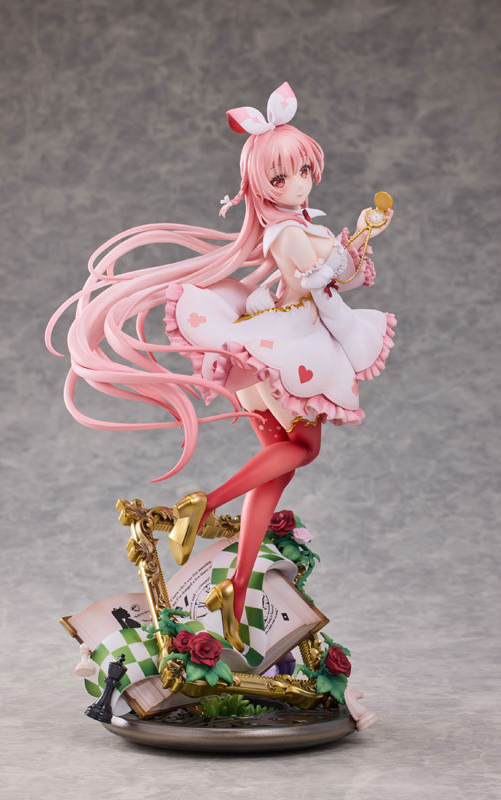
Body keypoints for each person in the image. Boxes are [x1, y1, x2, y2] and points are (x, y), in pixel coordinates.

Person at [47, 82, 395, 652]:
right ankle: (204, 503)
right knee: (304, 448)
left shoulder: (304, 224)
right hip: (287, 345)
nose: (297, 183)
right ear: (258, 186)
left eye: (303, 170)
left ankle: (235, 588)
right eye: (280, 178)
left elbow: (341, 275)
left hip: (276, 343)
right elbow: (318, 280)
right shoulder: (288, 232)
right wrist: (347, 249)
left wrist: (359, 238)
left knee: (276, 470)